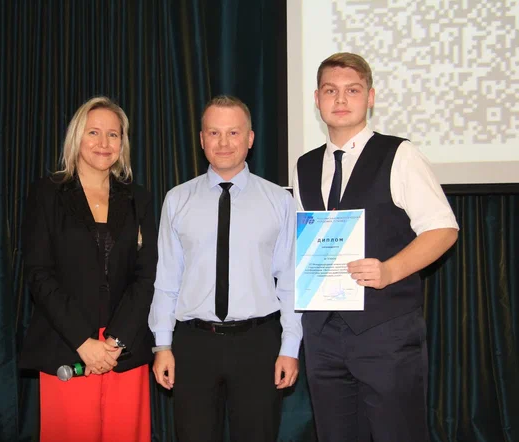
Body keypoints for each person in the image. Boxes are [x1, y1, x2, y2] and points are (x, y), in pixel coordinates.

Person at [292, 53, 459, 442]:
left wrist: (390, 270)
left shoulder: (400, 154)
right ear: (316, 99)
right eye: (330, 91)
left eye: (352, 90)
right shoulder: (304, 166)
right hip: (323, 334)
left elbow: (443, 229)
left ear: (370, 97)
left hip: (386, 331)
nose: (340, 99)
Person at [148, 95, 302, 442]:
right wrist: (162, 345)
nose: (223, 143)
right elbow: (167, 279)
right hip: (193, 344)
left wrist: (290, 347)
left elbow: (290, 281)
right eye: (214, 133)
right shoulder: (177, 199)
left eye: (234, 132)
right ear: (202, 139)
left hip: (258, 343)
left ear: (250, 138)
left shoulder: (279, 201)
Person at [19, 96, 157, 442]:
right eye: (93, 132)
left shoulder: (139, 199)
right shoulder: (47, 194)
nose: (103, 142)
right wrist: (84, 342)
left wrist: (115, 341)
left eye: (113, 134)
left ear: (123, 143)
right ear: (76, 137)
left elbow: (147, 275)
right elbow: (39, 273)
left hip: (123, 350)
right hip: (68, 346)